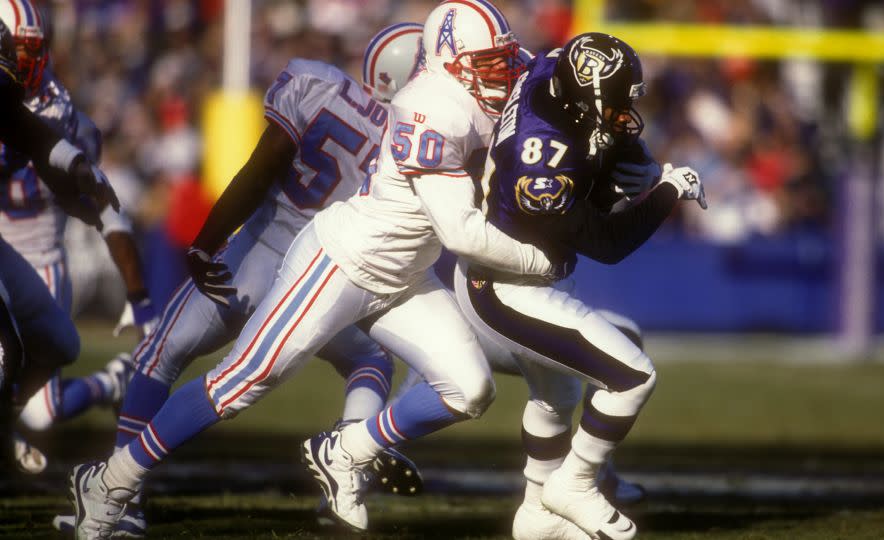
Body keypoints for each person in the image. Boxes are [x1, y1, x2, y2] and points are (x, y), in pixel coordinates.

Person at [69, 0, 565, 536]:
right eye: (488, 63)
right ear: (447, 62)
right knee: (240, 382)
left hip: (403, 278)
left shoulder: (471, 92)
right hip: (342, 262)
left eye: (503, 60)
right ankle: (110, 481)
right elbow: (460, 231)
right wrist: (540, 257)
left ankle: (347, 450)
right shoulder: (430, 107)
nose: (502, 73)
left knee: (470, 389)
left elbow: (538, 83)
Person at [58, 22, 425, 538]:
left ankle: (120, 498)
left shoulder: (315, 82)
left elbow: (262, 165)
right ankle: (346, 473)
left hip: (255, 255)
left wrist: (207, 237)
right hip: (318, 279)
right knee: (369, 360)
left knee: (160, 358)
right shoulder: (415, 143)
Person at [452, 33, 707, 540]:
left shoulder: (554, 69)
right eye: (616, 100)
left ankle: (537, 517)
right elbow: (608, 244)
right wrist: (664, 193)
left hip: (523, 277)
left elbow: (602, 138)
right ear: (587, 93)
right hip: (506, 288)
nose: (625, 111)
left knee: (557, 394)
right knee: (632, 375)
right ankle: (575, 483)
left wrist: (625, 165)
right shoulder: (541, 157)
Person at [0, 0, 158, 475]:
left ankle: (111, 382)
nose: (23, 63)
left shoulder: (54, 108)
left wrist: (140, 297)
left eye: (28, 51)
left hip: (39, 256)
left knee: (50, 379)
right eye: (13, 50)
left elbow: (98, 205)